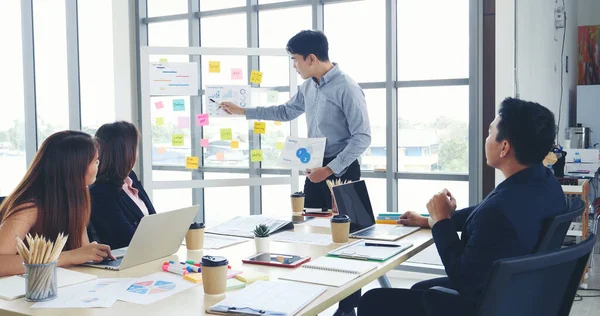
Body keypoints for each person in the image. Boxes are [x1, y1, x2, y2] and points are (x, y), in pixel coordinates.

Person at [358, 98, 567, 316]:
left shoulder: (499, 213)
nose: (486, 139)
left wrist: (442, 223)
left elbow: (464, 280)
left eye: (489, 133)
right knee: (420, 289)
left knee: (373, 301)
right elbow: (483, 213)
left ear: (504, 147)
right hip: (520, 295)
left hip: (485, 304)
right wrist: (428, 220)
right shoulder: (544, 184)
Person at [221, 30, 370, 316]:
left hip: (342, 169)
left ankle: (347, 307)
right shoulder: (309, 86)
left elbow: (362, 137)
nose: (294, 66)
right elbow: (286, 111)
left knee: (345, 239)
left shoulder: (346, 87)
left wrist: (329, 169)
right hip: (316, 168)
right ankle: (312, 295)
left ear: (311, 58)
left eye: (295, 60)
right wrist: (243, 112)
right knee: (309, 231)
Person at [0, 131, 115, 277]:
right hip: (26, 291)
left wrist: (91, 252)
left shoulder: (77, 198)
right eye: (95, 161)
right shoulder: (29, 207)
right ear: (74, 168)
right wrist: (70, 256)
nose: (98, 166)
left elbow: (80, 250)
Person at [88, 121, 156, 250]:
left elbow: (153, 218)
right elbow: (126, 238)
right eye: (135, 148)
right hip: (127, 259)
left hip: (150, 252)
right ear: (126, 152)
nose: (137, 153)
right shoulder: (100, 192)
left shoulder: (131, 177)